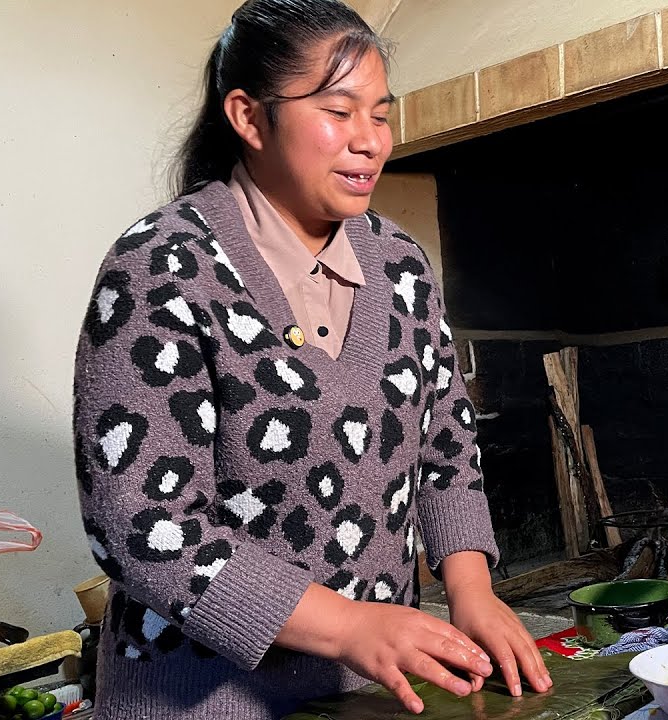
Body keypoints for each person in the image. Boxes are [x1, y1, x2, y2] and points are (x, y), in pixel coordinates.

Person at [71, 2, 550, 717]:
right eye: (339, 111)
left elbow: (446, 448)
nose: (369, 142)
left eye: (381, 116)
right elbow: (142, 524)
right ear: (248, 115)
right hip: (201, 701)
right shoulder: (162, 268)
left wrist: (471, 591)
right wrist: (352, 625)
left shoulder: (401, 265)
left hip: (367, 696)